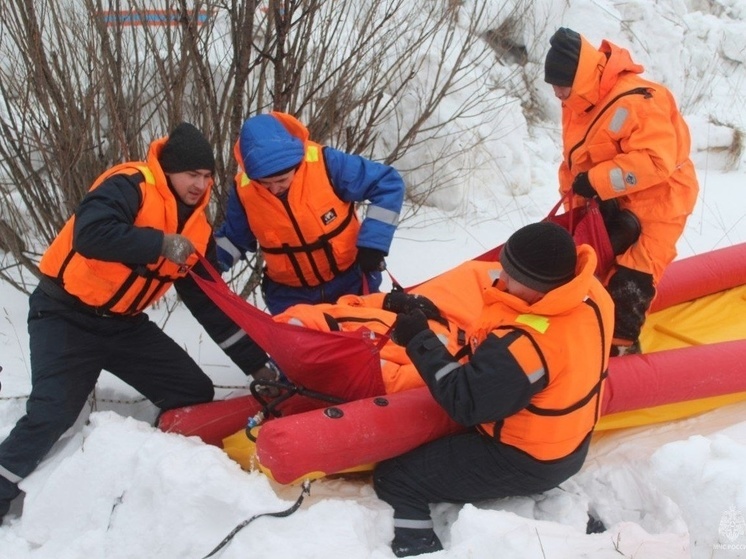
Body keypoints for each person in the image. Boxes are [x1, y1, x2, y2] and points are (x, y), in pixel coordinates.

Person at [0, 123, 271, 523]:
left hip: (123, 325)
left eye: (207, 177)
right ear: (170, 170)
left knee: (191, 389)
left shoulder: (197, 229)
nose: (200, 184)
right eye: (191, 175)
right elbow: (91, 234)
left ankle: (149, 468)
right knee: (53, 411)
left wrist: (257, 365)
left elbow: (209, 305)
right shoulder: (130, 183)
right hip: (64, 315)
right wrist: (160, 243)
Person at [373, 222, 615, 557]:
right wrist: (436, 316)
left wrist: (418, 340)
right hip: (572, 445)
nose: (502, 277)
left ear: (537, 288)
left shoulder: (526, 346)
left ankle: (420, 548)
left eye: (512, 275)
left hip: (524, 460)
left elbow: (464, 402)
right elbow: (498, 351)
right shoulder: (593, 297)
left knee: (396, 477)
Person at [544, 27, 699, 356]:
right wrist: (577, 204)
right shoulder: (577, 101)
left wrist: (595, 183)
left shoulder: (640, 101)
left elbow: (656, 162)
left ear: (579, 77)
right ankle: (586, 344)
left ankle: (623, 355)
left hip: (662, 201)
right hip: (614, 201)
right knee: (591, 271)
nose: (557, 93)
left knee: (632, 280)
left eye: (561, 86)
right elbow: (576, 161)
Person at [214, 111, 405, 315]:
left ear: (297, 166)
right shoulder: (244, 191)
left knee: (364, 344)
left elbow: (387, 183)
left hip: (352, 282)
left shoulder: (327, 164)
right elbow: (234, 239)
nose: (274, 189)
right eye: (265, 184)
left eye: (281, 181)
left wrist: (373, 244)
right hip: (291, 298)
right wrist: (211, 265)